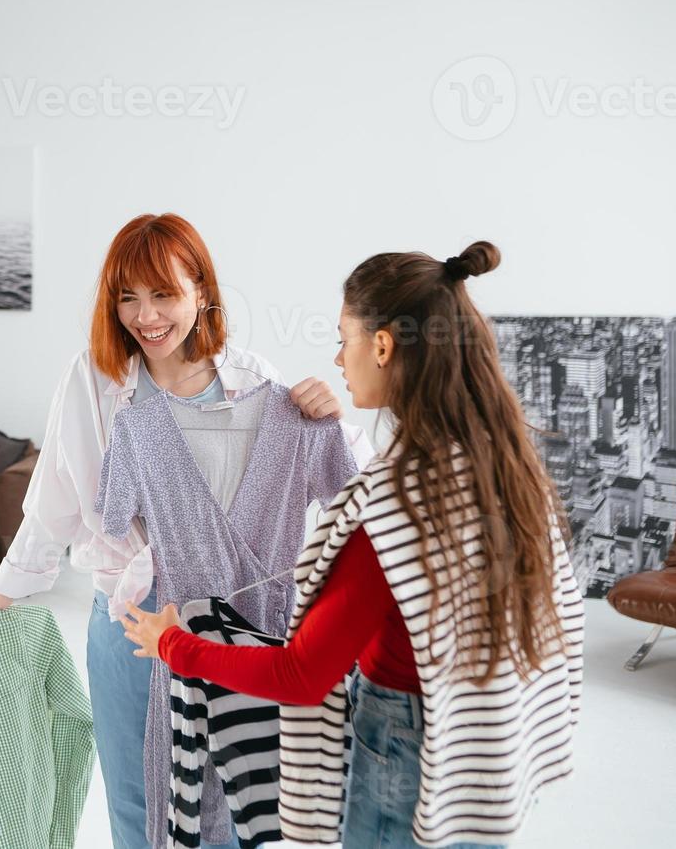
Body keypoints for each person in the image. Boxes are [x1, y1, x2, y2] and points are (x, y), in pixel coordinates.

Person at [121, 241, 586, 849]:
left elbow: (302, 674)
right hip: (484, 755)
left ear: (384, 345)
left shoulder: (395, 503)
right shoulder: (503, 467)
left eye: (344, 338)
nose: (338, 358)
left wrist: (175, 645)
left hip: (404, 746)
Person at [0, 213, 374, 849]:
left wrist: (331, 415)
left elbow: (356, 484)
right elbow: (55, 496)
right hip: (132, 617)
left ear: (201, 292)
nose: (145, 316)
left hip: (240, 617)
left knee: (239, 799)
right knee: (138, 801)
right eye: (127, 297)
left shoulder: (253, 375)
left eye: (163, 294)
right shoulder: (94, 380)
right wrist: (6, 590)